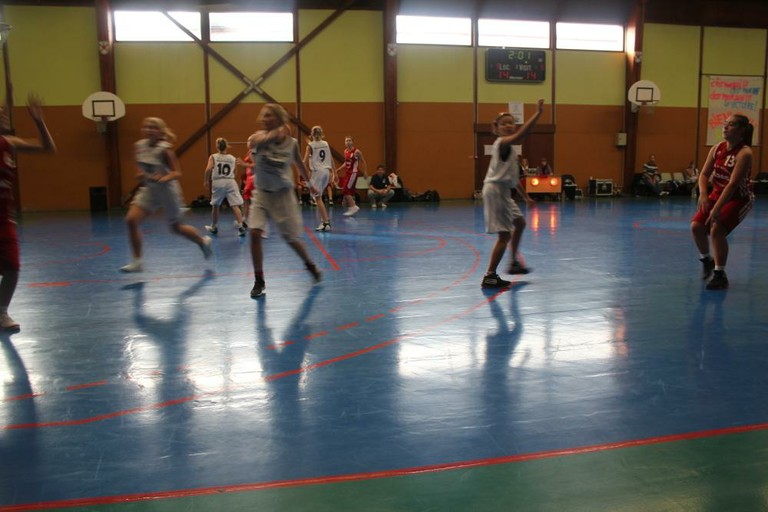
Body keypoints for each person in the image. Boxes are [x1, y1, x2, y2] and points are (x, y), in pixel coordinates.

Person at [246, 103, 322, 298]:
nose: (264, 119)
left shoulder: (292, 143)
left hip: (282, 195)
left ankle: (310, 265)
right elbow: (255, 141)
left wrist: (310, 184)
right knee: (254, 232)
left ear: (279, 118)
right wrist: (278, 132)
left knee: (291, 238)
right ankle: (259, 280)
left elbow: (299, 164)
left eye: (269, 115)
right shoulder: (257, 138)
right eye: (263, 115)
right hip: (262, 193)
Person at [121, 117, 213, 273]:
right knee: (131, 220)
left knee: (175, 228)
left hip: (167, 191)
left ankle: (202, 241)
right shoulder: (140, 146)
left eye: (153, 127)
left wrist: (164, 178)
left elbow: (177, 173)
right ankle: (137, 262)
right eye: (147, 127)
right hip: (150, 190)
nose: (149, 130)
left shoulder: (165, 150)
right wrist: (141, 175)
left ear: (160, 132)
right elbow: (141, 170)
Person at [0, 94, 56, 331]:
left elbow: (47, 148)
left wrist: (39, 122)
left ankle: (2, 312)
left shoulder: (8, 142)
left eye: (4, 113)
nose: (4, 117)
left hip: (4, 218)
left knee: (12, 267)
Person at [481, 99, 544, 289]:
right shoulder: (502, 143)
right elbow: (523, 134)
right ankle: (490, 275)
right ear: (496, 128)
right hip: (495, 191)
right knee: (504, 236)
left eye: (511, 123)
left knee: (520, 223)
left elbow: (514, 179)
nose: (508, 126)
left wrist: (526, 197)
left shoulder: (511, 152)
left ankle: (514, 262)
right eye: (504, 124)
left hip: (504, 191)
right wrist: (538, 113)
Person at [691, 114, 754, 290]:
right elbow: (704, 174)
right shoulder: (717, 148)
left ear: (741, 130)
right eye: (725, 124)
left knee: (717, 228)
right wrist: (703, 194)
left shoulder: (744, 153)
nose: (725, 127)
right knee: (696, 226)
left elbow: (733, 184)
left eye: (731, 124)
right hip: (716, 194)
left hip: (738, 198)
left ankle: (720, 275)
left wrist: (717, 208)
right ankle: (707, 260)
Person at [204, 137, 246, 237]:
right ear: (226, 146)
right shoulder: (232, 158)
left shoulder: (213, 157)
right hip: (230, 181)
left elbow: (208, 169)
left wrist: (206, 180)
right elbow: (235, 172)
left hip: (218, 181)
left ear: (217, 146)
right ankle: (241, 227)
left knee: (216, 205)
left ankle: (214, 227)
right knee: (235, 205)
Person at [303, 126, 335, 232]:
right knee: (319, 197)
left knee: (318, 198)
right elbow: (331, 158)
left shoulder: (310, 146)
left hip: (318, 172)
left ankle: (326, 223)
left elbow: (304, 162)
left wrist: (308, 171)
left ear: (312, 134)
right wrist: (334, 172)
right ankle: (324, 220)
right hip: (326, 172)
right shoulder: (325, 143)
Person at [336, 135, 367, 217]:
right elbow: (346, 162)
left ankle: (353, 207)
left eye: (349, 140)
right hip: (347, 173)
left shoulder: (357, 151)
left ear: (352, 142)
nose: (348, 142)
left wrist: (365, 172)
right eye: (346, 141)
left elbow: (363, 161)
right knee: (349, 191)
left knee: (345, 190)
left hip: (353, 173)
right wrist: (339, 169)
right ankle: (352, 206)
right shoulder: (345, 151)